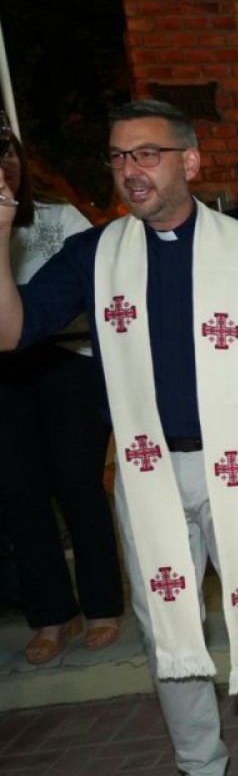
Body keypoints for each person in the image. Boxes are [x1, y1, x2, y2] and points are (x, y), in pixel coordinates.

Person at [0, 100, 238, 776]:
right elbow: (10, 331)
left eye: (146, 154)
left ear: (190, 162)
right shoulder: (93, 254)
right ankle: (199, 766)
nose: (129, 171)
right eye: (118, 157)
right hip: (149, 471)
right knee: (165, 621)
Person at [0, 128, 123, 665]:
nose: (2, 164)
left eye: (7, 152)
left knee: (78, 483)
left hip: (68, 362)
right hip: (4, 373)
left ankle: (102, 605)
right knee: (18, 492)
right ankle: (52, 612)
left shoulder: (60, 218)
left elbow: (92, 297)